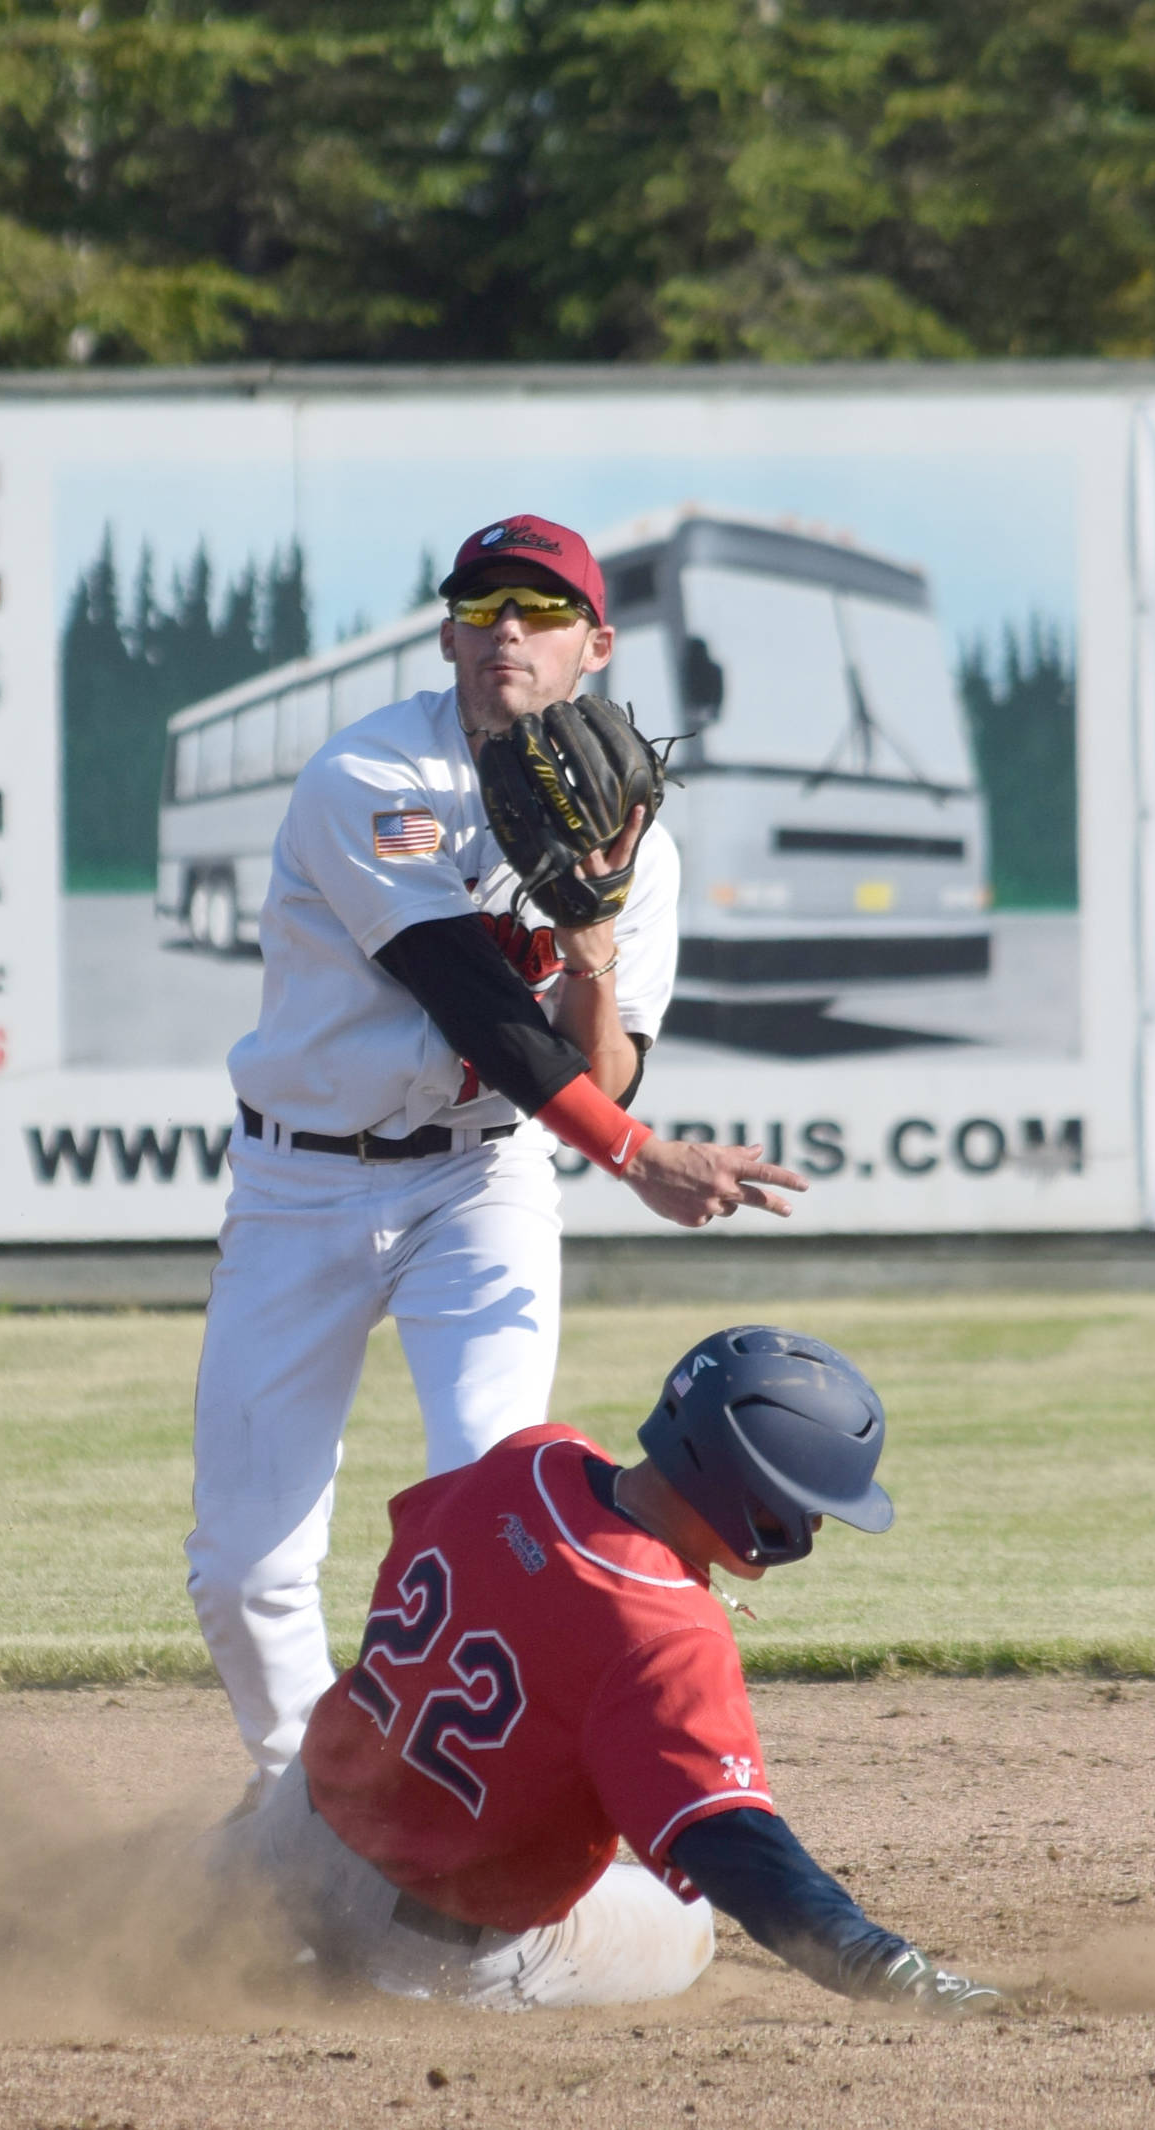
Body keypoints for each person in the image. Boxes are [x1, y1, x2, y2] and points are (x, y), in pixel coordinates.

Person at [186, 513, 809, 1786]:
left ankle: (457, 1802)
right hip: (299, 1181)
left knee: (489, 1509)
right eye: (478, 610)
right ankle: (311, 1806)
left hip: (478, 1179)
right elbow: (463, 997)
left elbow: (601, 1063)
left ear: (594, 643)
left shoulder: (641, 838)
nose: (503, 632)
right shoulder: (372, 779)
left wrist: (590, 936)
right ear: (446, 635)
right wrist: (635, 1156)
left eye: (534, 611)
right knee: (245, 1567)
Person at [219, 1326, 1002, 2016]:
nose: (819, 1522)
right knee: (687, 1927)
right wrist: (886, 1965)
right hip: (430, 1950)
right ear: (753, 1497)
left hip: (298, 1830)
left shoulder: (532, 1457)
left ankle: (242, 1904)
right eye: (811, 1503)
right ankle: (338, 1977)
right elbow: (738, 1853)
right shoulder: (666, 1632)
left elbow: (418, 1544)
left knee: (141, 1905)